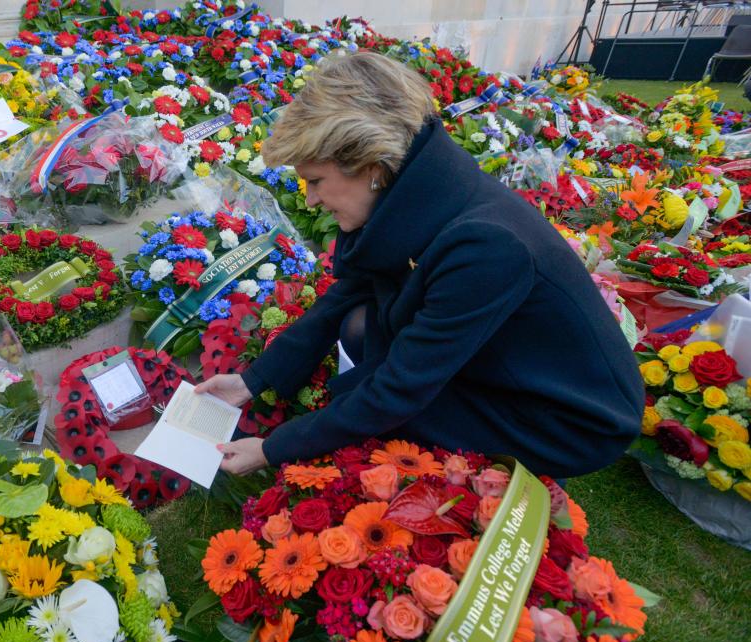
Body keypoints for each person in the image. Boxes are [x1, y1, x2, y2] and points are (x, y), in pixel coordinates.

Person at [196, 52, 644, 480]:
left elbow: (400, 390)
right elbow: (346, 297)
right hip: (510, 363)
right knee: (357, 329)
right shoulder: (416, 189)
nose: (310, 199)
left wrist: (274, 448)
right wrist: (253, 381)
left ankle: (517, 470)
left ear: (370, 165)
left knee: (387, 420)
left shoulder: (484, 245)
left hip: (563, 419)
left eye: (315, 181)